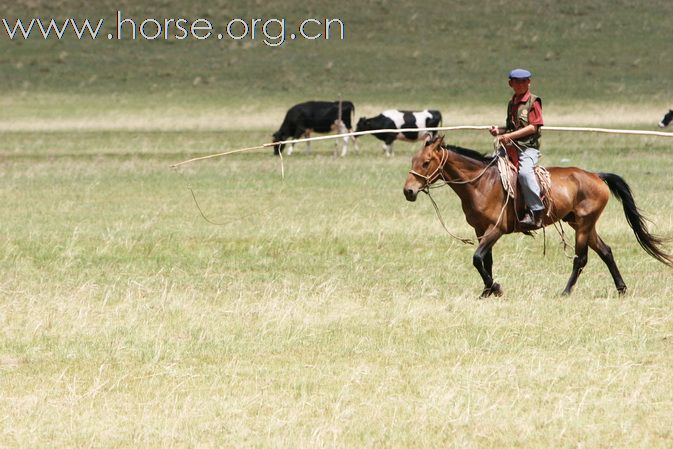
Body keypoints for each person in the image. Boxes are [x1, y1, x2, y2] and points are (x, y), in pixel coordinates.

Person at [489, 68, 545, 230]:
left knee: (525, 173)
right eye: (516, 82)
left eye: (524, 81)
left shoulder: (533, 101)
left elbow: (533, 127)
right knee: (490, 167)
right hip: (510, 147)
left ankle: (536, 211)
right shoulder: (512, 102)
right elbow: (509, 128)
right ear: (510, 84)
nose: (520, 84)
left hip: (527, 148)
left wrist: (509, 136)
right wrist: (498, 131)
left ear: (529, 82)